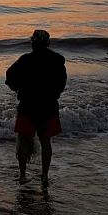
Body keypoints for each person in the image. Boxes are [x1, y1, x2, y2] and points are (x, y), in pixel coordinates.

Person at [5, 29, 67, 187]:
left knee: (23, 140)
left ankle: (22, 175)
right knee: (46, 141)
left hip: (28, 105)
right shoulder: (57, 60)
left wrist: (18, 89)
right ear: (48, 43)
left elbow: (9, 76)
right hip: (48, 106)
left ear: (33, 43)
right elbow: (62, 84)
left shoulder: (25, 60)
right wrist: (55, 94)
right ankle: (44, 176)